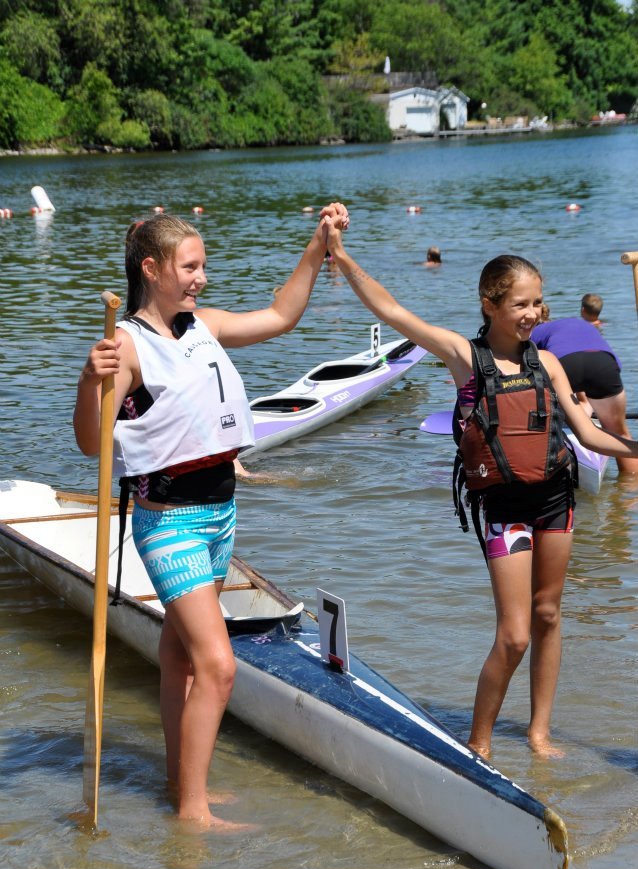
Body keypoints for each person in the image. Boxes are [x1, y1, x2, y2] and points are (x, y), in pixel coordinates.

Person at [73, 204, 349, 827]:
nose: (202, 277)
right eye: (190, 266)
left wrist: (317, 245)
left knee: (180, 658)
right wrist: (91, 383)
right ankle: (193, 813)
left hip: (220, 513)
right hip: (167, 520)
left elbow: (281, 315)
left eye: (203, 265)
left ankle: (182, 786)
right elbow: (93, 443)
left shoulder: (204, 326)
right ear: (152, 268)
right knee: (219, 666)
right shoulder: (126, 345)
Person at [322, 221, 638, 760]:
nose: (533, 314)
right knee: (514, 635)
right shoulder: (465, 358)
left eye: (539, 303)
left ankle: (539, 733)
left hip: (555, 502)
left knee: (549, 616)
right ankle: (479, 742)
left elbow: (587, 433)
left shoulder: (550, 363)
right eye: (521, 303)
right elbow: (393, 312)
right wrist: (342, 257)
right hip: (504, 510)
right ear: (489, 305)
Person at [531, 298, 638, 473]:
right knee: (620, 433)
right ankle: (630, 490)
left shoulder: (534, 333)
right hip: (604, 363)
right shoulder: (579, 323)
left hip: (565, 363)